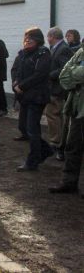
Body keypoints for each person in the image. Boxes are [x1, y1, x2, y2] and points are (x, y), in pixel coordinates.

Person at [11, 27, 54, 171]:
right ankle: (46, 150)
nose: (27, 40)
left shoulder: (43, 53)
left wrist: (21, 86)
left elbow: (40, 74)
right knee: (24, 127)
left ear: (38, 40)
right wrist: (16, 82)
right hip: (25, 97)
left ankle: (32, 161)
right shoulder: (24, 54)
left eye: (31, 38)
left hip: (37, 97)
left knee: (32, 129)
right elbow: (17, 70)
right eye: (26, 37)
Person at [49, 42, 84, 197]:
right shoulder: (80, 53)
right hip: (77, 107)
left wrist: (75, 72)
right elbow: (64, 77)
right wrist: (79, 74)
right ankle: (69, 182)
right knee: (72, 146)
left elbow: (72, 74)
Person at [45, 27, 74, 159]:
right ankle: (57, 141)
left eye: (48, 36)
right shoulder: (58, 48)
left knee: (54, 115)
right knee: (55, 115)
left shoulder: (62, 49)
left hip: (58, 89)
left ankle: (56, 142)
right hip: (55, 88)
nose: (47, 39)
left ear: (52, 36)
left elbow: (65, 68)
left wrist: (50, 75)